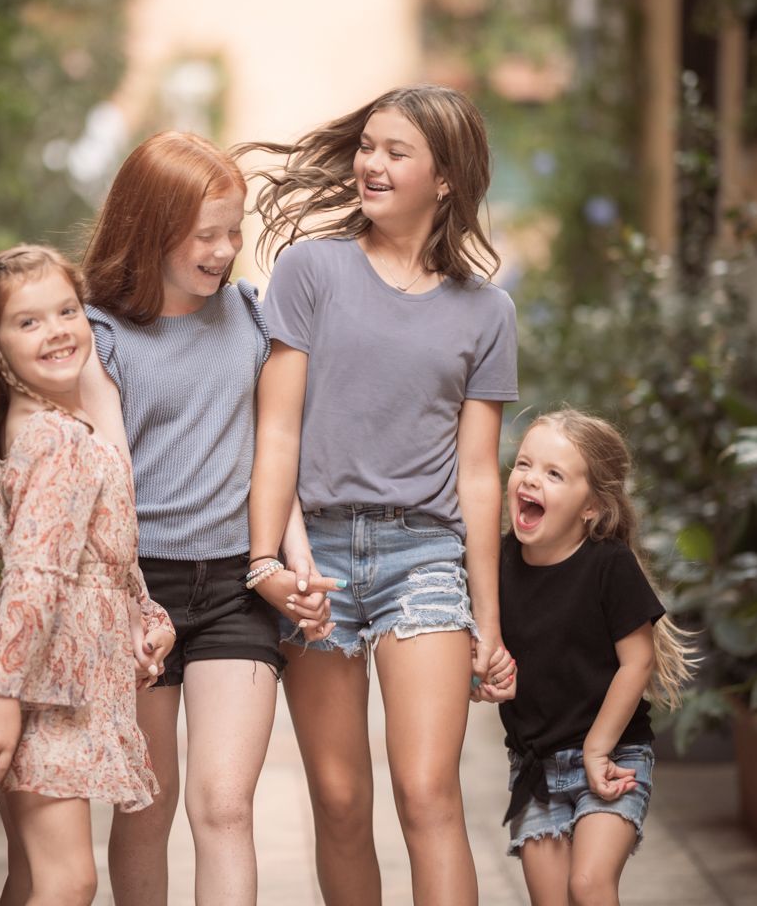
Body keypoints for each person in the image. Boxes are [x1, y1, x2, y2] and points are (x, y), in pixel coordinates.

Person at [239, 84, 519, 905]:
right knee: (338, 799)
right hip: (314, 555)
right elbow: (278, 432)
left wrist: (488, 622)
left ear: (445, 179)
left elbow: (478, 473)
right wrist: (270, 561)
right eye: (368, 145)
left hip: (423, 556)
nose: (370, 163)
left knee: (427, 793)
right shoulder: (311, 270)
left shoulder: (487, 311)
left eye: (396, 152)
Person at [75, 130, 335, 906]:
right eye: (207, 233)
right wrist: (119, 601)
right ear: (150, 226)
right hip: (137, 589)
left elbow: (271, 458)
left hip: (233, 589)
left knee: (225, 807)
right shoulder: (99, 335)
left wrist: (297, 560)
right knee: (146, 807)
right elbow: (97, 483)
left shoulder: (251, 316)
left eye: (235, 230)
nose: (226, 250)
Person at [0, 244, 176, 906]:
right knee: (68, 880)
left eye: (67, 311)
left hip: (39, 672)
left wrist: (142, 618)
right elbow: (38, 575)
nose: (59, 330)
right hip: (36, 682)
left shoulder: (49, 424)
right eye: (29, 322)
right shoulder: (59, 441)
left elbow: (95, 556)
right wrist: (6, 697)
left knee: (36, 876)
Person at [476, 409, 695, 906]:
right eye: (525, 464)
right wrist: (481, 679)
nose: (531, 479)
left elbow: (636, 662)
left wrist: (597, 750)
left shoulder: (609, 566)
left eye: (554, 474)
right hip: (535, 770)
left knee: (589, 885)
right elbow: (481, 653)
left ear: (592, 506)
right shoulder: (496, 563)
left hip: (614, 756)